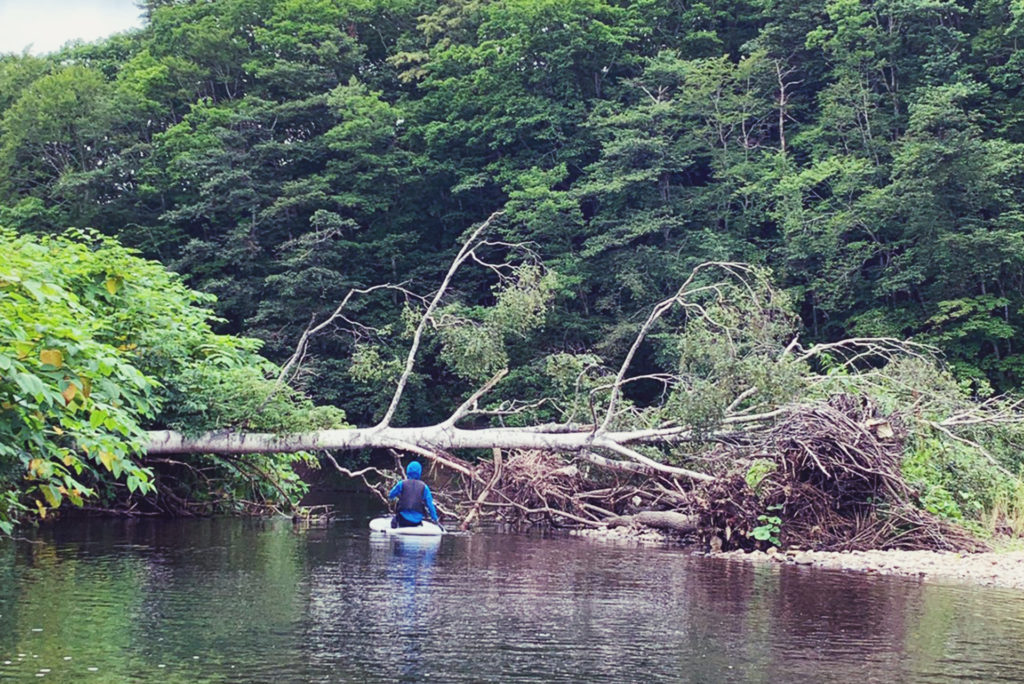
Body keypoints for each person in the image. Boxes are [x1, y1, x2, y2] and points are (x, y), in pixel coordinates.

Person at [388, 460, 439, 528]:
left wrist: (399, 495)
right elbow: (430, 506)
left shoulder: (401, 484)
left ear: (408, 471)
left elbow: (390, 495)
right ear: (419, 472)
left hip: (403, 520)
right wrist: (435, 519)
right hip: (417, 522)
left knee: (394, 520)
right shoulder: (425, 487)